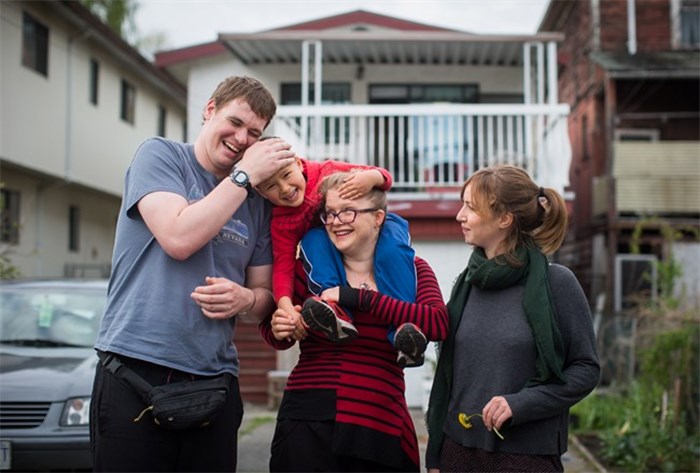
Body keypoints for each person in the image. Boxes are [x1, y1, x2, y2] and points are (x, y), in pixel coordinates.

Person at [90, 76, 296, 472]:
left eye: (255, 133)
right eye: (234, 122)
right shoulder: (161, 156)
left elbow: (263, 295)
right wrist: (243, 176)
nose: (241, 138)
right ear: (209, 109)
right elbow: (178, 237)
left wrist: (247, 299)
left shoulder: (255, 203)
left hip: (214, 380)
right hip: (133, 371)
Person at [260, 172, 450, 472]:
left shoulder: (413, 269)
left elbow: (437, 323)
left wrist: (358, 298)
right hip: (308, 417)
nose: (336, 221)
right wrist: (282, 327)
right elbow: (273, 329)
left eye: (348, 211)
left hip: (378, 418)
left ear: (378, 218)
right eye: (330, 213)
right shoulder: (310, 268)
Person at [425, 164, 601, 472]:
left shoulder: (556, 283)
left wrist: (522, 403)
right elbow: (450, 377)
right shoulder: (467, 284)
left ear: (504, 219)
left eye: (470, 207)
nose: (459, 216)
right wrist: (436, 456)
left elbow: (586, 369)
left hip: (525, 457)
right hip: (458, 452)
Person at [256, 155, 429, 367]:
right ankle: (335, 311)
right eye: (271, 186)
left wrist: (371, 177)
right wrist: (285, 307)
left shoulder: (327, 170)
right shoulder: (284, 222)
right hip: (326, 242)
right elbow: (283, 266)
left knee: (391, 250)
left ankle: (406, 329)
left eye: (286, 175)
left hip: (384, 227)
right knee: (313, 239)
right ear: (261, 192)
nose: (284, 188)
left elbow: (382, 176)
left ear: (298, 163)